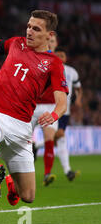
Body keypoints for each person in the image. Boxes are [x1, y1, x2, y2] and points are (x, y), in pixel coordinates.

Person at [0, 0, 68, 206]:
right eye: (28, 26)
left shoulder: (54, 64)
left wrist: (54, 115)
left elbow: (62, 101)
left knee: (28, 196)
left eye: (36, 28)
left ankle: (8, 181)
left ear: (49, 35)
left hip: (21, 126)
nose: (29, 31)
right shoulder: (17, 43)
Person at [34, 47, 82, 181]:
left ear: (66, 58)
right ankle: (67, 171)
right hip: (52, 107)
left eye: (63, 55)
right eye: (58, 54)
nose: (60, 57)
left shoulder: (72, 71)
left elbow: (78, 87)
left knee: (60, 137)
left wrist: (78, 99)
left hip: (65, 111)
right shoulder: (49, 66)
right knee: (59, 137)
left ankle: (37, 146)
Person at [30, 33, 59, 186]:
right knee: (24, 140)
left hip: (49, 106)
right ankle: (23, 174)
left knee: (49, 139)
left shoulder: (57, 63)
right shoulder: (34, 58)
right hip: (32, 106)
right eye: (49, 40)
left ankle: (47, 174)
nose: (51, 43)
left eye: (53, 41)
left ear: (56, 43)